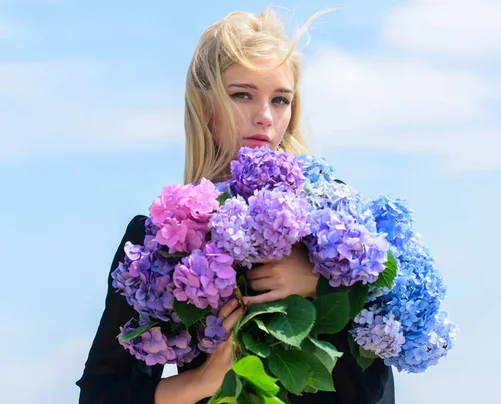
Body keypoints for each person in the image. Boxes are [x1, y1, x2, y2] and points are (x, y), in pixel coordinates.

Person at [76, 8, 395, 404]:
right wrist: (203, 381)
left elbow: (377, 387)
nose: (264, 116)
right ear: (205, 104)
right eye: (242, 94)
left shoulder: (335, 226)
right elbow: (100, 394)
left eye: (281, 99)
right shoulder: (158, 243)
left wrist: (323, 283)